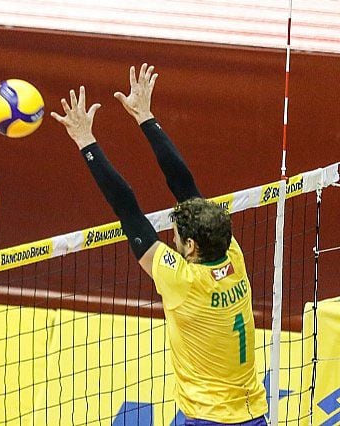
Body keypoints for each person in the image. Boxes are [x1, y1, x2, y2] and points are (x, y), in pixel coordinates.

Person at [51, 64, 268, 425]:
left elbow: (127, 208)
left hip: (205, 419)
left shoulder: (183, 282)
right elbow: (185, 187)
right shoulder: (231, 254)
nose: (171, 236)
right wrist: (144, 116)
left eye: (177, 235)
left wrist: (85, 140)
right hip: (252, 413)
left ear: (192, 247)